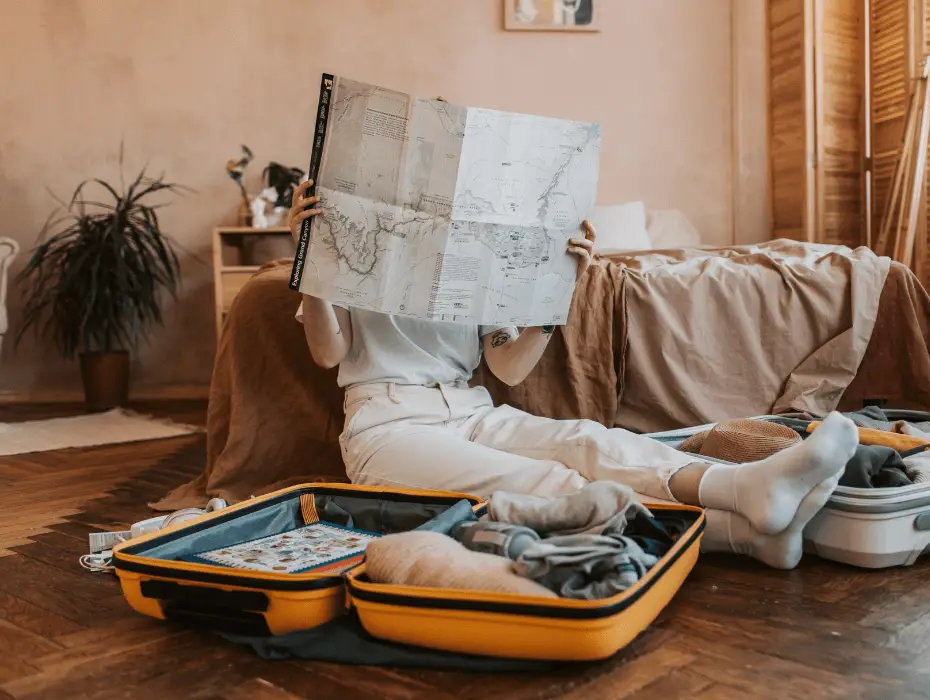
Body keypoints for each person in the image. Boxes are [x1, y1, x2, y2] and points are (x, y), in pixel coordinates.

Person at [289, 180, 858, 569]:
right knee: (549, 485)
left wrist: (555, 291)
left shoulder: (475, 254)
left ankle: (746, 490)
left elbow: (506, 365)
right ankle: (740, 535)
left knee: (588, 440)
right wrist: (309, 262)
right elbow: (327, 353)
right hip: (388, 427)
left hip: (470, 410)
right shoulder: (350, 247)